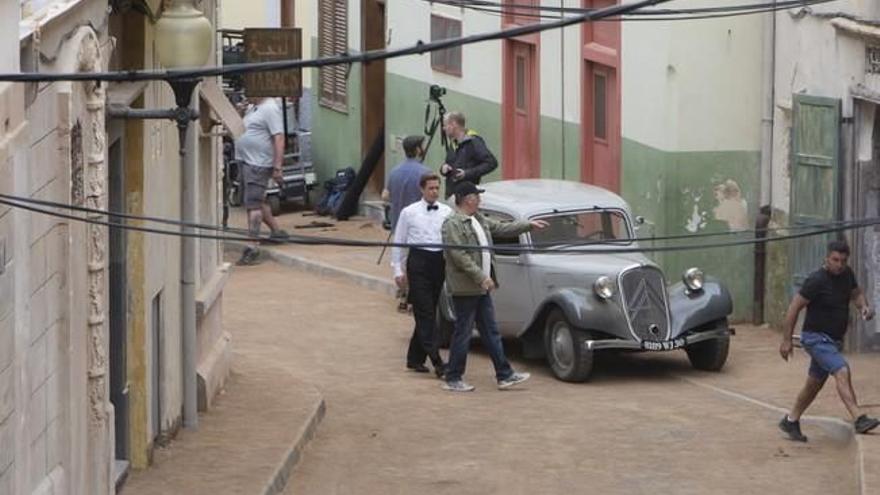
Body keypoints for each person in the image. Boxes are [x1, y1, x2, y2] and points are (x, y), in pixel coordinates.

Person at [440, 181, 548, 392]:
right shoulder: (452, 223)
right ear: (467, 198)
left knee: (490, 331)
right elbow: (459, 256)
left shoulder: (478, 218)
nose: (480, 199)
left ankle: (504, 374)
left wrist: (527, 225)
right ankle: (453, 377)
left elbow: (501, 228)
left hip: (481, 288)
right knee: (463, 332)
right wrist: (481, 276)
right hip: (466, 287)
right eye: (476, 196)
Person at [778, 240, 880, 441]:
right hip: (816, 338)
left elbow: (856, 293)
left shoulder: (847, 274)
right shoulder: (816, 280)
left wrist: (863, 307)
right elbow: (794, 307)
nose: (839, 264)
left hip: (833, 341)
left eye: (843, 260)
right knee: (841, 370)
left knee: (813, 385)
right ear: (827, 258)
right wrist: (786, 340)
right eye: (835, 260)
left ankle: (790, 421)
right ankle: (858, 417)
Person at [391, 173, 451, 378]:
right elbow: (398, 242)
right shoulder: (409, 212)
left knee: (428, 309)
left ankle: (414, 358)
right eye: (431, 188)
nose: (434, 191)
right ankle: (437, 361)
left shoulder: (447, 211)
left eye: (437, 188)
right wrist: (398, 270)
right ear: (422, 189)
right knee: (425, 312)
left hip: (438, 263)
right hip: (418, 263)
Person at [234, 97, 289, 266]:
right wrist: (240, 111)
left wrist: (277, 166)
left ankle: (253, 247)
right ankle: (276, 232)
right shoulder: (253, 107)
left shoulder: (270, 108)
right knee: (256, 200)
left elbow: (279, 137)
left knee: (254, 207)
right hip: (247, 161)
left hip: (258, 164)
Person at [385, 136, 432, 311]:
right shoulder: (425, 172)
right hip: (419, 226)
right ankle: (414, 299)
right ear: (418, 149)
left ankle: (404, 296)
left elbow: (385, 195)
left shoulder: (395, 171)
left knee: (402, 262)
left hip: (398, 225)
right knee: (418, 265)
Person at [439, 112, 498, 198]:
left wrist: (467, 173)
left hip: (467, 197)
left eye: (445, 125)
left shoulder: (474, 141)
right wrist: (443, 169)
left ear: (454, 124)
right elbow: (448, 163)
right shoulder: (453, 144)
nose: (444, 128)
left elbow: (491, 163)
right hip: (452, 196)